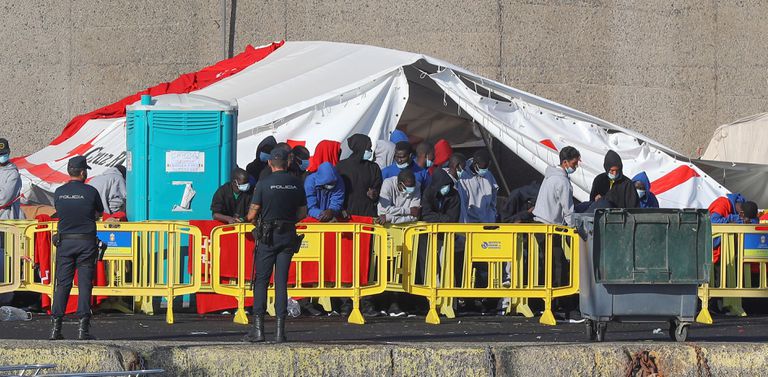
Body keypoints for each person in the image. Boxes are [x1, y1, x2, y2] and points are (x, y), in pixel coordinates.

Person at [245, 148, 307, 343]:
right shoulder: (297, 183)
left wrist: (253, 219)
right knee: (281, 281)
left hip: (267, 236)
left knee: (262, 280)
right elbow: (303, 212)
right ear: (287, 164)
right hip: (288, 235)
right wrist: (288, 221)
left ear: (271, 164)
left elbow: (252, 214)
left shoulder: (263, 183)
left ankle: (258, 330)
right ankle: (280, 332)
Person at [49, 156, 104, 341]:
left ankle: (56, 328)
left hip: (65, 243)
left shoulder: (59, 192)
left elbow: (59, 210)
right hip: (86, 242)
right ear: (83, 172)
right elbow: (99, 212)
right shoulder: (91, 192)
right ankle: (83, 330)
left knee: (62, 285)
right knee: (84, 284)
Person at [533, 146, 581, 317]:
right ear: (565, 162)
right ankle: (558, 304)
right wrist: (574, 229)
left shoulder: (549, 177)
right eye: (575, 163)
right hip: (550, 227)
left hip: (540, 223)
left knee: (547, 264)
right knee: (558, 264)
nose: (576, 166)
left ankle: (546, 303)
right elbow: (567, 209)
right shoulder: (562, 182)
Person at [417, 168, 460, 284]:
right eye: (443, 185)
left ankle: (450, 298)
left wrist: (437, 218)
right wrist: (443, 218)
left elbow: (453, 218)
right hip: (428, 235)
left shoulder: (454, 195)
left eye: (447, 185)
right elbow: (425, 215)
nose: (446, 188)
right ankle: (432, 297)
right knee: (429, 266)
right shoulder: (428, 193)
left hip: (446, 236)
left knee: (447, 267)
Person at [336, 134, 382, 218]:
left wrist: (375, 193)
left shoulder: (373, 167)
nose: (371, 151)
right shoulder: (341, 166)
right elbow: (335, 191)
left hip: (368, 215)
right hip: (346, 215)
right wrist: (340, 209)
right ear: (360, 147)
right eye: (368, 148)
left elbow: (378, 187)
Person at [457, 150, 499, 224]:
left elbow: (494, 193)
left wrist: (493, 214)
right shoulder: (464, 178)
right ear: (475, 164)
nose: (485, 170)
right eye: (483, 168)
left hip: (488, 221)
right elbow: (463, 205)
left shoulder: (488, 174)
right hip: (472, 223)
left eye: (487, 167)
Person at [0, 138, 24, 220]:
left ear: (9, 152)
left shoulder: (13, 174)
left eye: (4, 153)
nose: (2, 156)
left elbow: (4, 198)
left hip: (6, 220)